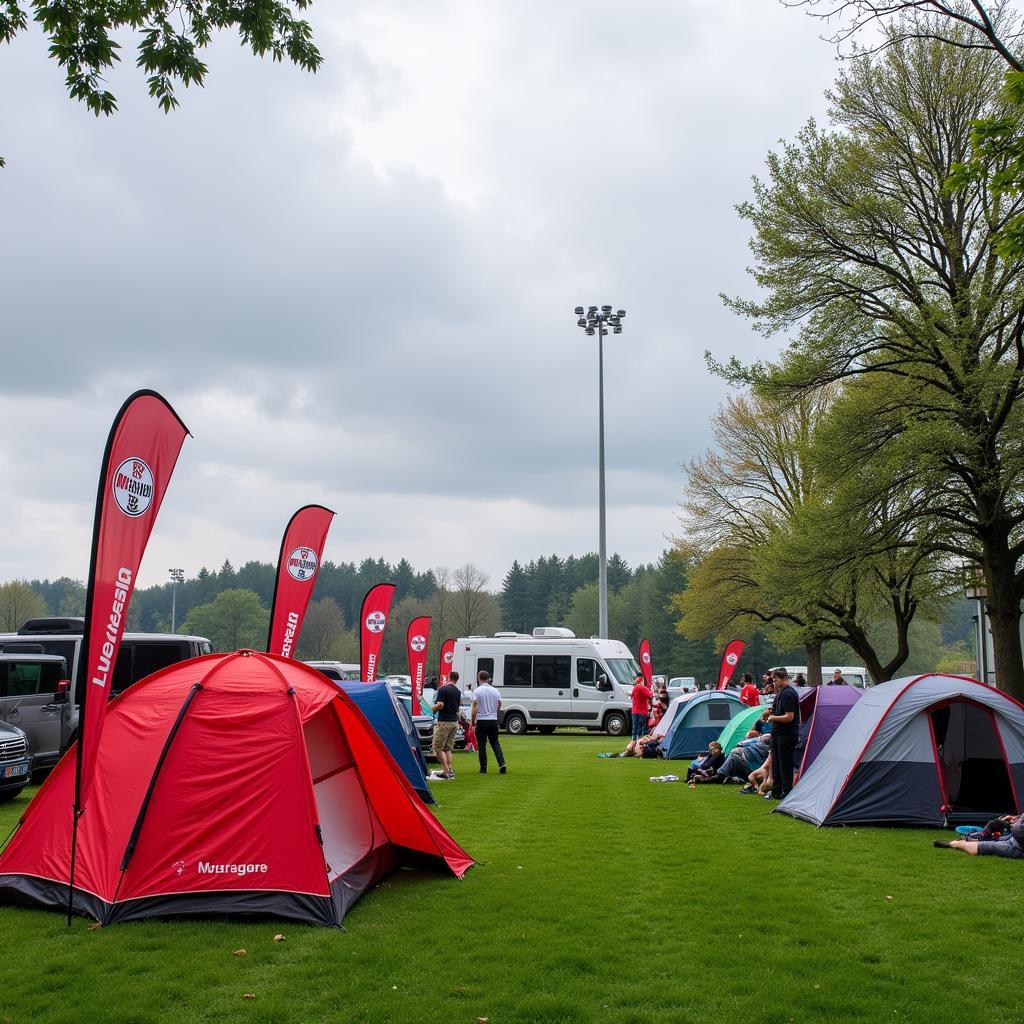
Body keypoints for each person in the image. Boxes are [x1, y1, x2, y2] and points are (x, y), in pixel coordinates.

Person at [764, 667, 800, 800]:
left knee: (784, 763)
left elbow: (789, 717)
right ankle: (777, 791)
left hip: (786, 733)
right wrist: (770, 713)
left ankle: (786, 792)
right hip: (779, 733)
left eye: (776, 679)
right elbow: (779, 712)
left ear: (784, 679)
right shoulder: (781, 693)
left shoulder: (788, 694)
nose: (774, 682)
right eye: (773, 679)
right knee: (777, 762)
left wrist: (773, 718)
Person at [935, 813, 1024, 858]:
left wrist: (1013, 824)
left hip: (1017, 846)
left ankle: (956, 844)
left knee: (988, 845)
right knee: (994, 829)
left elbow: (1019, 831)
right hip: (1013, 838)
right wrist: (1016, 818)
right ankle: (967, 839)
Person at [471, 670, 506, 774]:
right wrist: (495, 710)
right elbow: (499, 702)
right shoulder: (495, 690)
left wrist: (473, 721)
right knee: (495, 743)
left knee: (482, 744)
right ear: (488, 678)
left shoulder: (477, 691)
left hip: (482, 719)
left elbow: (475, 707)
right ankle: (502, 763)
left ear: (479, 678)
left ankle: (483, 767)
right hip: (493, 720)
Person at [430, 670, 462, 780]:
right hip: (454, 722)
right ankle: (450, 769)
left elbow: (440, 705)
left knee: (437, 747)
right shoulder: (458, 691)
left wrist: (431, 709)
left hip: (444, 722)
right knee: (448, 747)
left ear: (448, 677)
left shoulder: (443, 689)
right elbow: (457, 708)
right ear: (457, 679)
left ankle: (445, 771)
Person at [630, 673, 653, 748]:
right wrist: (651, 691)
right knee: (642, 727)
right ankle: (639, 742)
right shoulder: (643, 688)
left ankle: (633, 741)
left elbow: (632, 696)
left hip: (634, 710)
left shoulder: (634, 688)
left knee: (635, 727)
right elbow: (650, 695)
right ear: (642, 680)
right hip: (642, 711)